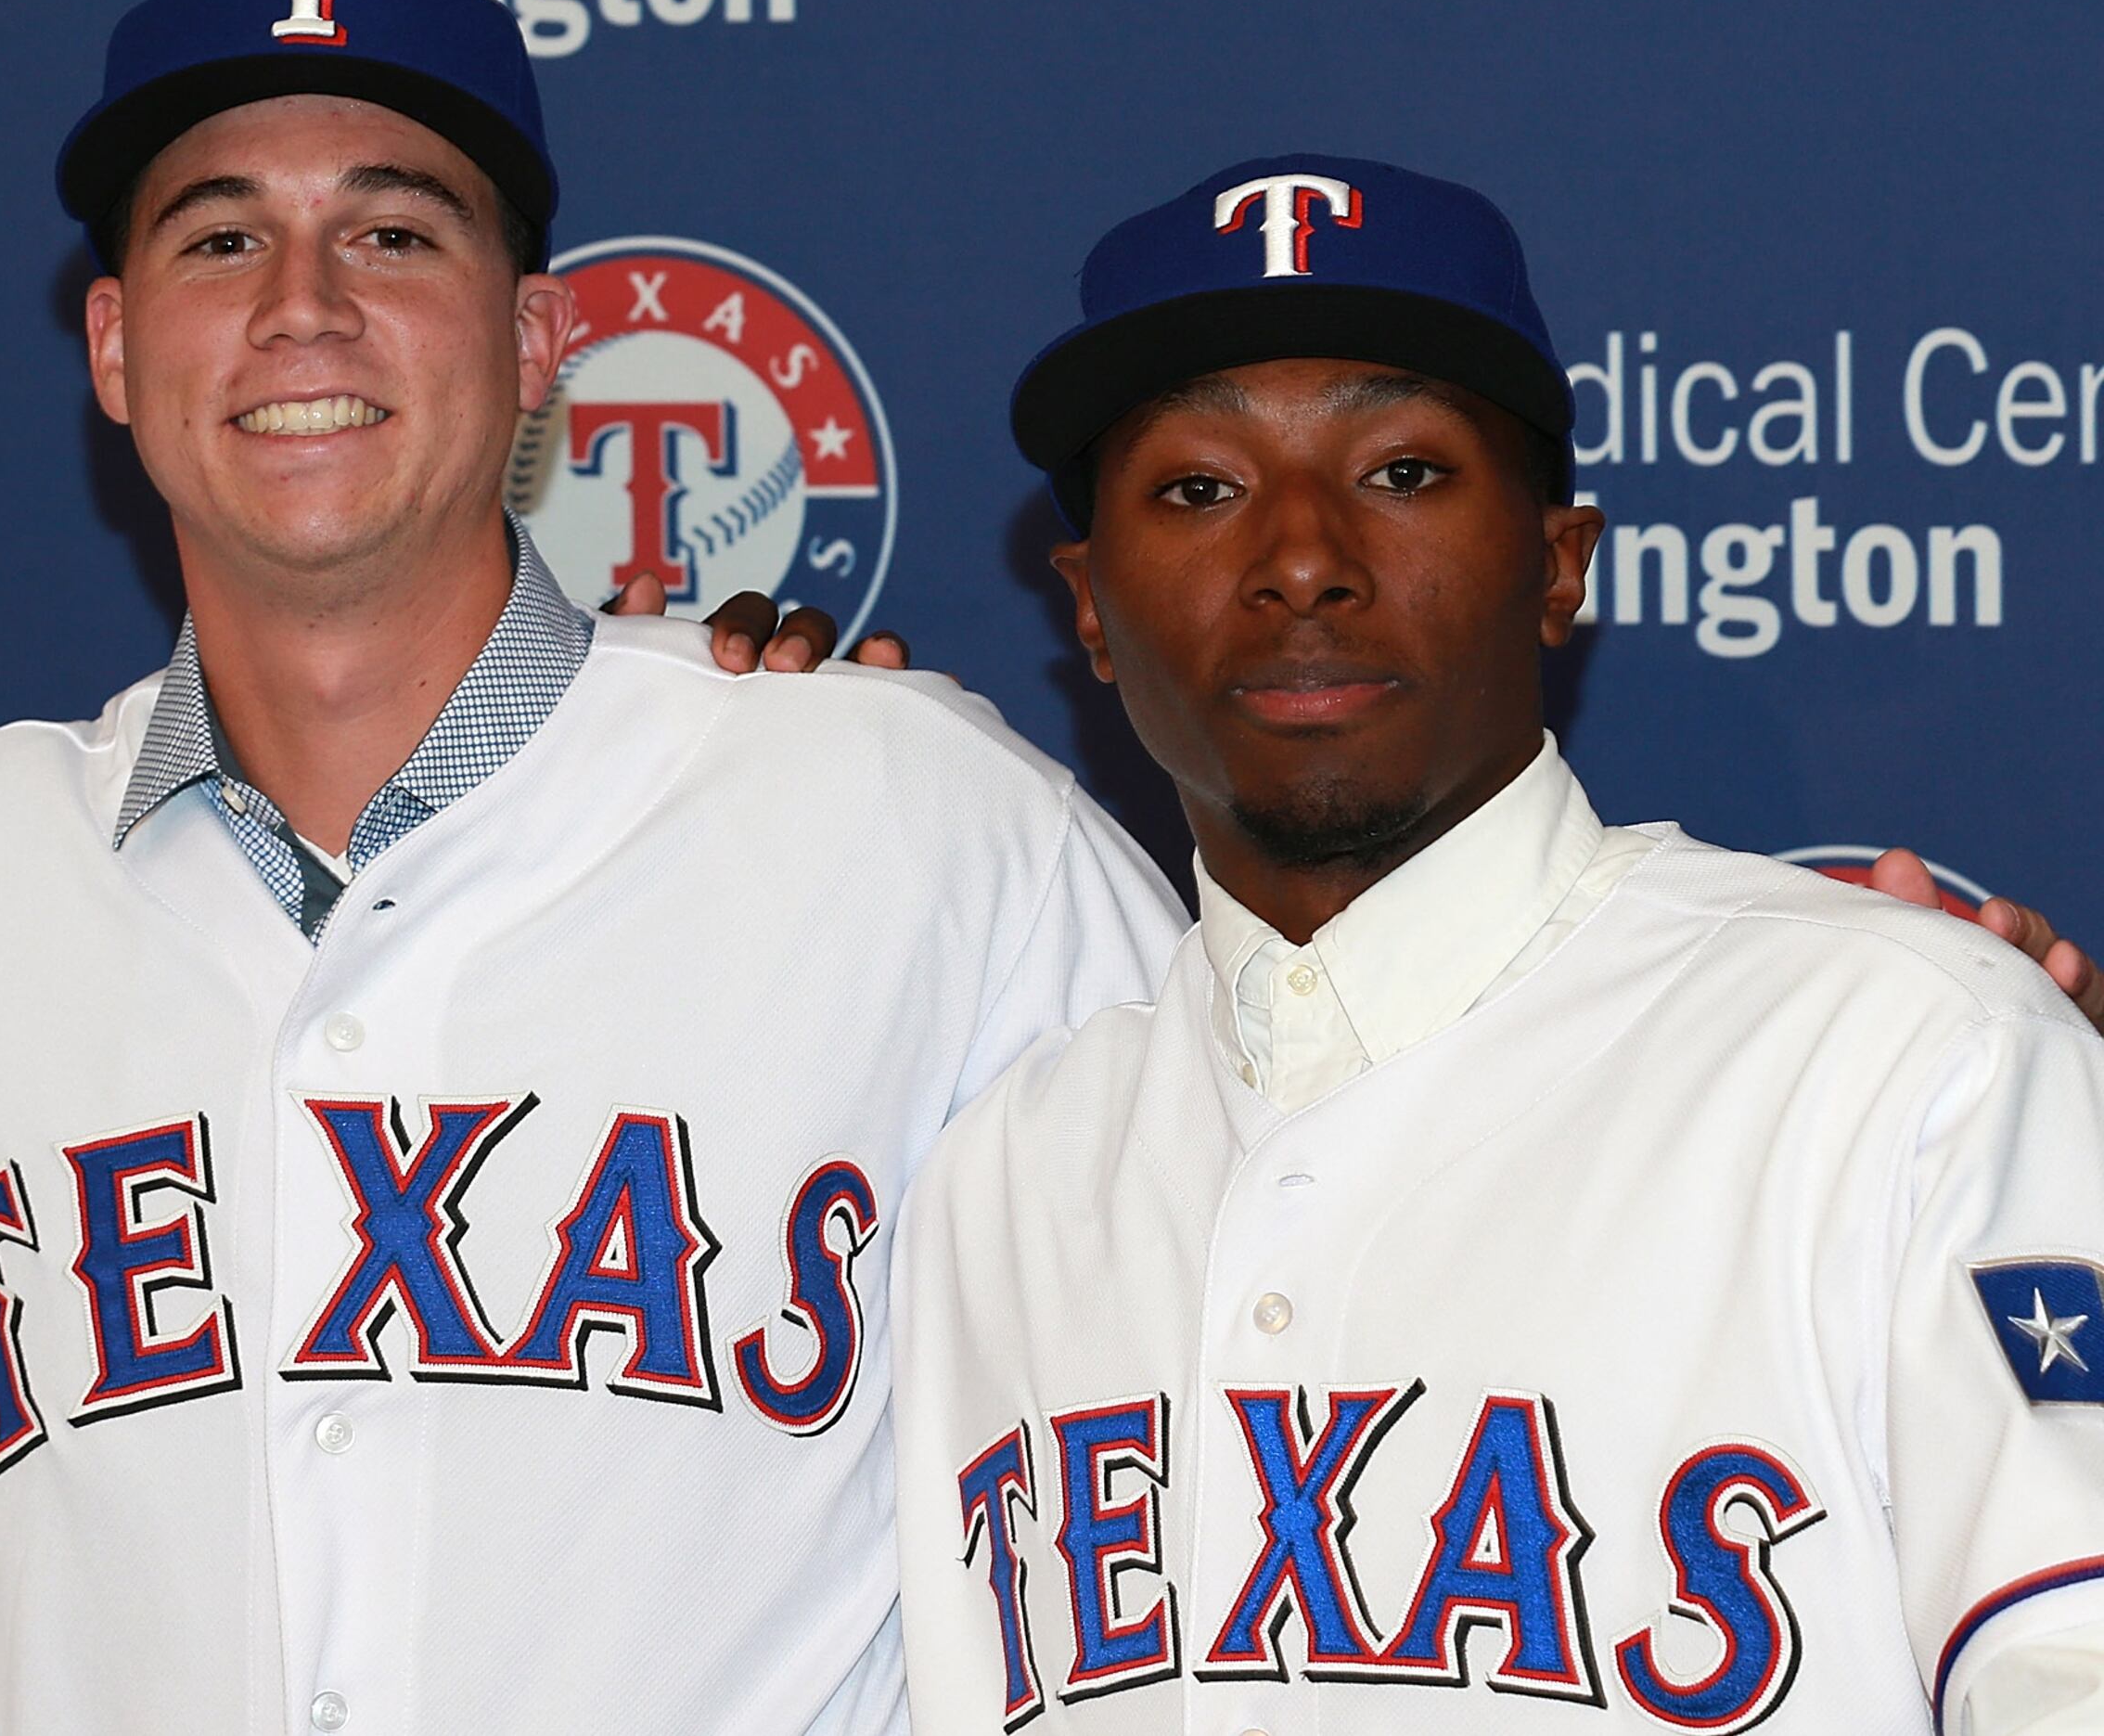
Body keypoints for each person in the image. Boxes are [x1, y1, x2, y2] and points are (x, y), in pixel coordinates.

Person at [0, 0, 1189, 1735]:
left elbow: (1247, 1402)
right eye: (218, 237)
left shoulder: (919, 826)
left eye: (394, 233)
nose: (302, 306)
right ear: (110, 343)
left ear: (544, 336)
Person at [892, 155, 2104, 1730]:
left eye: (1400, 471)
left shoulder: (1900, 1056)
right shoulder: (1002, 1178)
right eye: (1199, 486)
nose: (1304, 556)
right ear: (1091, 609)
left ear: (1559, 561)